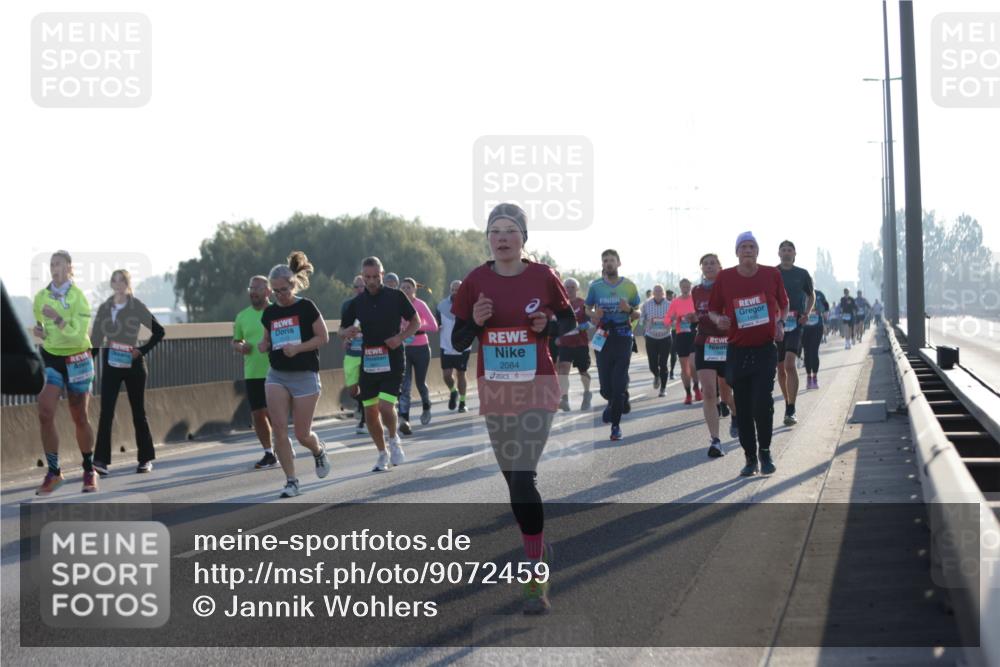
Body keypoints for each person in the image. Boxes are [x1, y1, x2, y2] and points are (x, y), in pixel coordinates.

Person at [451, 202, 576, 614]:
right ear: (488, 238)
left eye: (510, 230)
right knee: (514, 485)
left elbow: (569, 324)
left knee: (523, 481)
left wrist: (548, 326)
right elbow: (457, 340)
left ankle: (534, 576)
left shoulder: (543, 276)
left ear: (524, 238)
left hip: (538, 388)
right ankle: (536, 544)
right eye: (495, 230)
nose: (502, 237)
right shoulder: (476, 280)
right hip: (498, 391)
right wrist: (474, 319)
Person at [707, 232, 788, 477]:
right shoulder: (725, 277)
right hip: (737, 350)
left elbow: (783, 305)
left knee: (763, 404)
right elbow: (712, 309)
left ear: (758, 251)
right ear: (737, 252)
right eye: (743, 247)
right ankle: (750, 457)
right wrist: (719, 319)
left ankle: (765, 451)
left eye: (752, 246)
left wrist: (781, 323)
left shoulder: (771, 274)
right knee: (742, 407)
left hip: (764, 348)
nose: (748, 250)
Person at [258, 252, 331, 498]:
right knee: (278, 429)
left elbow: (323, 337)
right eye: (276, 291)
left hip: (304, 375)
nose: (281, 295)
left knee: (302, 434)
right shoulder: (269, 314)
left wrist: (298, 348)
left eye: (285, 289)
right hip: (277, 374)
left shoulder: (306, 307)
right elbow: (267, 339)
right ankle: (291, 481)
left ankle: (318, 450)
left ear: (294, 284)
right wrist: (262, 344)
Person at [339, 257, 421, 472]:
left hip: (392, 357)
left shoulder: (395, 296)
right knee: (370, 413)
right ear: (362, 277)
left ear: (382, 275)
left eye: (376, 276)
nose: (372, 281)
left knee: (385, 406)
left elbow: (416, 322)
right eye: (367, 277)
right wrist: (346, 332)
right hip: (369, 360)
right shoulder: (356, 303)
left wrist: (400, 337)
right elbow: (342, 329)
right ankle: (382, 453)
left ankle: (394, 439)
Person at [32, 250, 98, 494]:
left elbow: (80, 333)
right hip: (51, 358)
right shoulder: (41, 297)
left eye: (58, 263)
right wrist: (40, 332)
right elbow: (41, 326)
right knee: (45, 410)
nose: (53, 267)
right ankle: (54, 472)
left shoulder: (79, 297)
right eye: (51, 264)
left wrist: (59, 319)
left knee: (79, 416)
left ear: (70, 268)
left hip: (78, 357)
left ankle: (89, 469)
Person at [92, 269, 165, 475]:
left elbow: (159, 331)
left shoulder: (136, 306)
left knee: (138, 413)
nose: (118, 284)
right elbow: (96, 340)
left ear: (127, 283)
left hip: (134, 365)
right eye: (114, 281)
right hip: (111, 365)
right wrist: (86, 365)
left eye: (121, 280)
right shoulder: (105, 307)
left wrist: (140, 351)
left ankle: (145, 459)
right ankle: (101, 461)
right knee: (106, 412)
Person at [586, 249, 641, 441]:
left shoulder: (629, 286)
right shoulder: (595, 286)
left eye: (611, 260)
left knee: (617, 383)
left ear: (619, 263)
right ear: (602, 264)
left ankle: (615, 426)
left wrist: (630, 309)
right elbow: (587, 308)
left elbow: (638, 313)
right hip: (603, 336)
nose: (608, 263)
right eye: (605, 260)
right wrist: (595, 314)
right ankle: (617, 397)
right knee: (606, 388)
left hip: (623, 335)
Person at [690, 253, 737, 456]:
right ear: (702, 269)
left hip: (727, 344)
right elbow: (700, 315)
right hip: (705, 343)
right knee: (709, 392)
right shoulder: (696, 291)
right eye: (705, 264)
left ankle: (736, 414)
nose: (709, 267)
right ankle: (716, 440)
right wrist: (696, 318)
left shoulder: (730, 286)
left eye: (712, 263)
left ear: (720, 266)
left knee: (726, 395)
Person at [232, 275, 277, 467]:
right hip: (252, 372)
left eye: (258, 288)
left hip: (275, 370)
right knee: (258, 414)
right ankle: (269, 452)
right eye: (251, 288)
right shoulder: (242, 316)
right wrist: (240, 346)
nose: (253, 292)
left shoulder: (277, 312)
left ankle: (281, 443)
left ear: (268, 291)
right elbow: (236, 340)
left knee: (272, 413)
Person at [775, 241, 815, 427]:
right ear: (778, 253)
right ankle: (787, 402)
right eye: (783, 249)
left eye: (789, 250)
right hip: (776, 324)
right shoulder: (773, 273)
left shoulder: (802, 274)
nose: (786, 252)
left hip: (796, 323)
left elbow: (811, 295)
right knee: (780, 369)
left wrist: (806, 313)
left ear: (794, 253)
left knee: (790, 364)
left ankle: (791, 407)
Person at [398, 277, 440, 432]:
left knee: (420, 383)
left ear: (414, 290)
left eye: (408, 287)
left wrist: (417, 327)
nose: (405, 290)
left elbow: (434, 326)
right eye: (403, 288)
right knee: (405, 385)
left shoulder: (420, 305)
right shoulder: (397, 306)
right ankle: (405, 420)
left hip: (421, 348)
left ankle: (426, 405)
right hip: (404, 349)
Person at [556, 277, 594, 411]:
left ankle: (587, 394)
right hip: (565, 344)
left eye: (572, 287)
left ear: (577, 289)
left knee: (583, 371)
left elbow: (591, 322)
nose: (570, 290)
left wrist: (579, 327)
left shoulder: (583, 304)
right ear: (563, 289)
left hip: (580, 343)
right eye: (567, 287)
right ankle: (564, 398)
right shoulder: (559, 305)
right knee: (563, 370)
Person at [437, 280, 471, 413]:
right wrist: (437, 325)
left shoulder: (469, 305)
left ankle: (462, 402)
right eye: (453, 290)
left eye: (458, 289)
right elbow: (436, 321)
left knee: (461, 374)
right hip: (446, 345)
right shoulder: (441, 305)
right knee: (446, 375)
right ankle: (453, 391)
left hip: (463, 346)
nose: (456, 292)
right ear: (450, 290)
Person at [666, 279, 701, 404]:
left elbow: (702, 315)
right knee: (684, 368)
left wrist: (694, 317)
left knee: (693, 364)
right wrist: (674, 319)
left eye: (687, 286)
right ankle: (688, 394)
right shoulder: (675, 302)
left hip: (694, 334)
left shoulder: (695, 299)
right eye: (683, 286)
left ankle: (696, 387)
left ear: (690, 287)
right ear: (680, 287)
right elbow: (667, 320)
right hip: (680, 336)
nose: (685, 288)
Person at [341, 275, 368, 434]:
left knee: (365, 386)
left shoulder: (372, 305)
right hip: (351, 353)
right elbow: (341, 328)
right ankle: (364, 404)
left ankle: (364, 421)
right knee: (353, 391)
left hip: (368, 353)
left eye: (362, 286)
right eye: (356, 287)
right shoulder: (347, 305)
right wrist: (344, 336)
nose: (359, 290)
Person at [640, 284, 671, 396]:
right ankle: (656, 375)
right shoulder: (646, 304)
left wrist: (669, 323)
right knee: (652, 364)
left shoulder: (669, 304)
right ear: (653, 293)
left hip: (665, 337)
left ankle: (663, 389)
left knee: (663, 364)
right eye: (656, 291)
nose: (658, 293)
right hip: (651, 337)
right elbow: (641, 318)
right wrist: (646, 322)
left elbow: (675, 318)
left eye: (660, 291)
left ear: (663, 293)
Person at [802, 288, 829, 389]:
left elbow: (826, 307)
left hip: (817, 327)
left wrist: (825, 322)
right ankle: (809, 378)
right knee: (807, 352)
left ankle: (815, 378)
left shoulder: (819, 294)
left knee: (814, 351)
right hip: (804, 328)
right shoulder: (800, 293)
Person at [665, 289, 677, 379]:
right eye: (668, 296)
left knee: (673, 352)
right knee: (664, 353)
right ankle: (663, 370)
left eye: (671, 296)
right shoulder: (663, 305)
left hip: (674, 331)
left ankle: (672, 371)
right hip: (664, 331)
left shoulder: (676, 305)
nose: (670, 298)